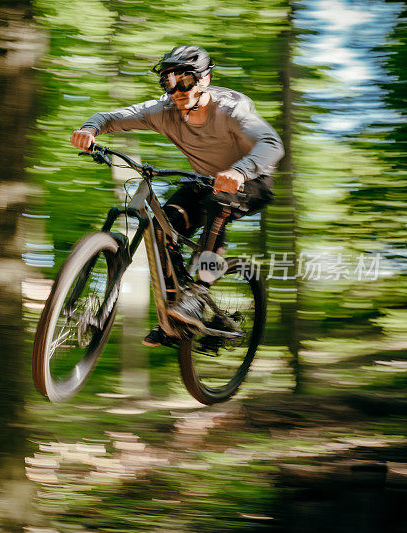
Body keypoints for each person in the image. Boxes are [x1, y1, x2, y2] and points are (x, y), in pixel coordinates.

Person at [70, 45, 284, 347]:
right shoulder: (164, 111)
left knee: (217, 205)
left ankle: (199, 294)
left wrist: (239, 171)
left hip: (254, 177)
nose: (177, 89)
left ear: (205, 79)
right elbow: (111, 117)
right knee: (162, 225)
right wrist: (90, 129)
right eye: (169, 81)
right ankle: (174, 313)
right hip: (204, 179)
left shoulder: (231, 110)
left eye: (184, 80)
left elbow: (272, 144)